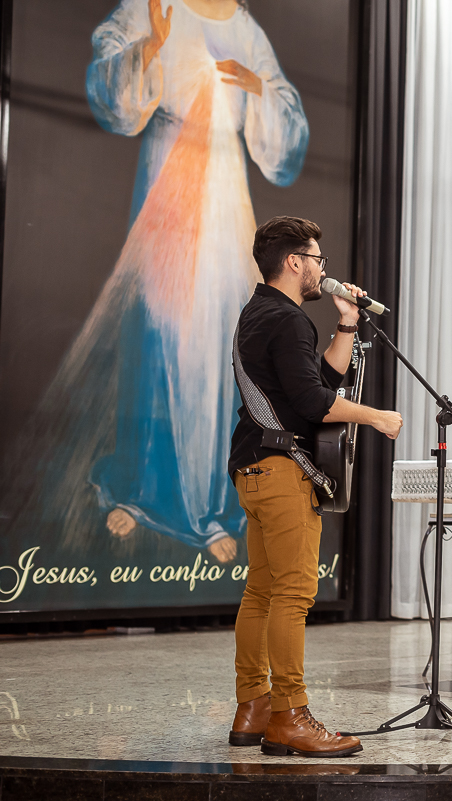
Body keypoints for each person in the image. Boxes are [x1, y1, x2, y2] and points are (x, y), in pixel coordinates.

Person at [78, 0, 311, 563]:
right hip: (167, 182)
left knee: (217, 337)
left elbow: (285, 119)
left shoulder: (243, 26)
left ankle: (207, 505)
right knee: (157, 330)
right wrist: (150, 45)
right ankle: (141, 491)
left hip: (224, 191)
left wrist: (257, 88)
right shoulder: (154, 6)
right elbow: (110, 87)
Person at [226, 216, 403, 757]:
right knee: (293, 595)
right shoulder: (288, 319)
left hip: (254, 467)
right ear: (294, 262)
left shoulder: (259, 313)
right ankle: (290, 716)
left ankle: (253, 707)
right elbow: (315, 403)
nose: (322, 269)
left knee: (262, 591)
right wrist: (376, 416)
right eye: (317, 259)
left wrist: (347, 323)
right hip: (282, 471)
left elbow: (318, 381)